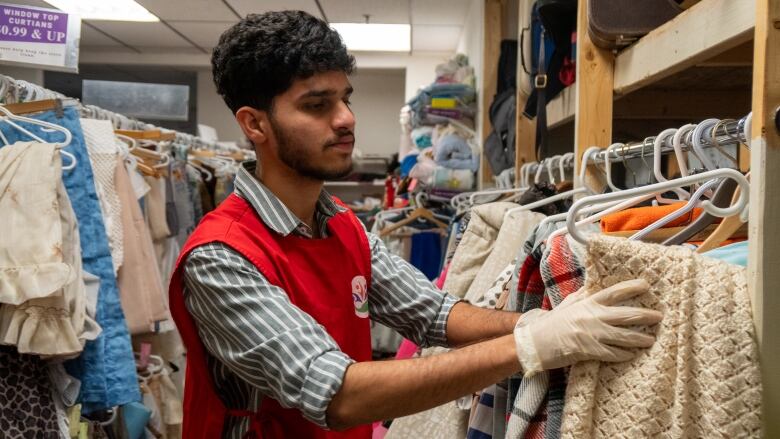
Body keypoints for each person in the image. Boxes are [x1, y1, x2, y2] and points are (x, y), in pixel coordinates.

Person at [168, 10, 663, 439]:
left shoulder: (342, 226)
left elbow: (433, 315)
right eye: (317, 105)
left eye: (346, 98)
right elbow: (338, 395)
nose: (346, 119)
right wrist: (531, 344)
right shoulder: (220, 257)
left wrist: (537, 321)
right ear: (254, 125)